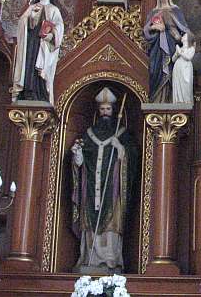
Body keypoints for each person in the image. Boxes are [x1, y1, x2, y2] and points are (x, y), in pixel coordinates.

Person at [71, 88, 131, 272]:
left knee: (111, 221)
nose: (105, 113)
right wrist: (78, 156)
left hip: (112, 188)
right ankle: (89, 258)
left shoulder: (121, 134)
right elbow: (81, 161)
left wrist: (120, 149)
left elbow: (132, 159)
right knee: (89, 221)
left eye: (108, 109)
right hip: (90, 187)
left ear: (114, 111)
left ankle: (110, 259)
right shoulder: (89, 134)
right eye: (103, 109)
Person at [12, 0, 64, 105]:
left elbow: (59, 26)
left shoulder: (54, 9)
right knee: (29, 64)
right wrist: (29, 15)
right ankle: (28, 92)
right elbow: (22, 22)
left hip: (45, 43)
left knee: (42, 67)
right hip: (32, 41)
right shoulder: (33, 6)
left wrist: (52, 34)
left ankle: (41, 93)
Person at [143, 0, 190, 102]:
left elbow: (184, 29)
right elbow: (146, 30)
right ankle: (157, 99)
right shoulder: (154, 12)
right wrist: (155, 27)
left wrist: (179, 37)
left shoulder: (175, 10)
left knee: (172, 70)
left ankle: (171, 98)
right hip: (158, 47)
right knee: (156, 70)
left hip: (172, 44)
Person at [172, 32, 195, 104]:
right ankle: (178, 100)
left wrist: (180, 52)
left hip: (186, 68)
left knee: (186, 84)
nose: (182, 36)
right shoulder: (180, 48)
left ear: (188, 38)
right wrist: (176, 53)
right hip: (178, 68)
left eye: (184, 35)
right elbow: (173, 60)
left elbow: (188, 57)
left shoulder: (191, 48)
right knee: (178, 84)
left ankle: (186, 101)